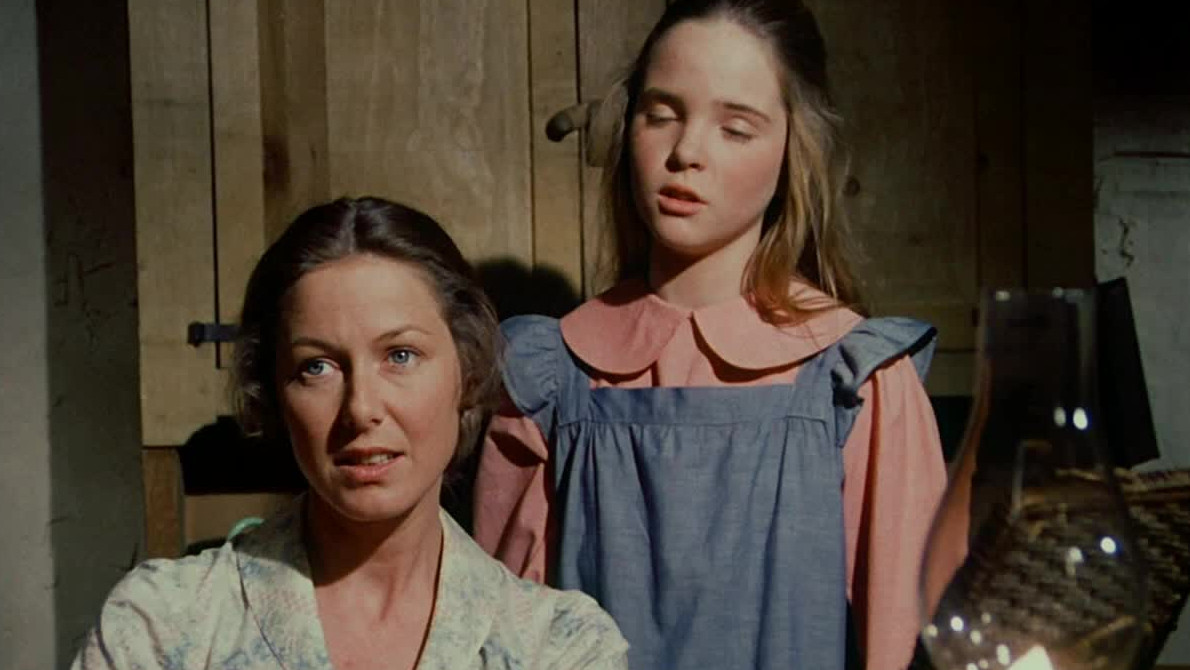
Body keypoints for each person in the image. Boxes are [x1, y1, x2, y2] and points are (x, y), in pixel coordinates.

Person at [472, 2, 950, 669]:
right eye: (661, 114)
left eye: (735, 128)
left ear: (793, 151)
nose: (686, 153)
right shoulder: (546, 379)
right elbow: (508, 644)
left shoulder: (860, 383)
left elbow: (911, 645)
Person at [72, 198, 628, 670]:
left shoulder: (558, 647)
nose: (361, 409)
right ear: (274, 394)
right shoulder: (162, 627)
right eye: (316, 367)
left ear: (468, 372)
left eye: (401, 355)